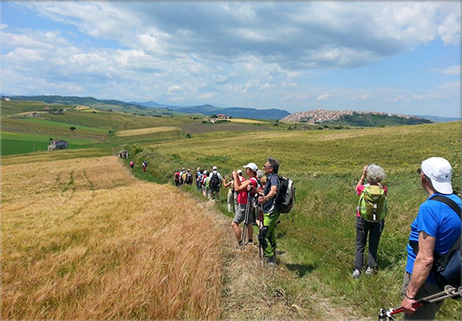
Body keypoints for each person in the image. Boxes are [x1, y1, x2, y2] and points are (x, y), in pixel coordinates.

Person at [401, 157, 461, 320]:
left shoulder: (429, 208)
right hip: (442, 278)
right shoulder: (457, 202)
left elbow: (425, 258)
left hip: (423, 281)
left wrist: (410, 295)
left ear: (423, 177)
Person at [352, 164, 388, 278]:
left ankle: (358, 269)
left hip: (362, 218)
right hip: (378, 220)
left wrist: (363, 176)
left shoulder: (364, 189)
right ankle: (370, 268)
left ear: (368, 176)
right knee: (373, 244)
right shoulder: (383, 190)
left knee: (360, 244)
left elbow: (357, 188)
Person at [257, 157, 281, 266]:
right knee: (270, 234)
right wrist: (257, 191)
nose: (263, 167)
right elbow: (268, 191)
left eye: (265, 166)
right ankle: (273, 252)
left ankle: (271, 258)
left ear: (270, 169)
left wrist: (266, 198)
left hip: (271, 211)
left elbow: (274, 190)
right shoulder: (271, 177)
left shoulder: (273, 178)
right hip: (269, 210)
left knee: (262, 236)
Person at [231, 163, 259, 247]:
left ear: (251, 170)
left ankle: (240, 243)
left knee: (234, 224)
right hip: (248, 204)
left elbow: (237, 188)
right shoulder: (252, 179)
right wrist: (237, 178)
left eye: (247, 169)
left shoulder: (252, 180)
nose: (246, 170)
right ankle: (250, 241)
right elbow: (240, 185)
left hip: (244, 204)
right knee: (249, 223)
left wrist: (235, 177)